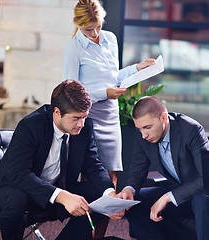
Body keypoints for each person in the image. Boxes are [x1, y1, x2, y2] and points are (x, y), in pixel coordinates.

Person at [0, 80, 122, 240]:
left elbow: (93, 166)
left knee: (98, 193)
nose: (81, 124)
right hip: (10, 190)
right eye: (76, 118)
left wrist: (110, 194)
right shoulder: (31, 126)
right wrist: (62, 196)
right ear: (56, 112)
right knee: (17, 197)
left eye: (84, 117)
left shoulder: (85, 127)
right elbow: (18, 174)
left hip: (53, 190)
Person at [63, 0, 155, 187]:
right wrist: (104, 93)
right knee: (92, 175)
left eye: (98, 26)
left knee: (112, 174)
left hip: (111, 116)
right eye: (88, 29)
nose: (95, 33)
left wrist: (137, 68)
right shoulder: (73, 49)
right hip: (89, 118)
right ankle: (88, 216)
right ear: (78, 25)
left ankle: (108, 213)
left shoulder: (110, 39)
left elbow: (113, 77)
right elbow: (70, 91)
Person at [116, 96, 209, 240]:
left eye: (147, 127)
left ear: (163, 117)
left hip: (201, 192)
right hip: (176, 189)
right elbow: (137, 171)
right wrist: (128, 189)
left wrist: (167, 197)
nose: (144, 135)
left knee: (202, 200)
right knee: (133, 203)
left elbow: (208, 177)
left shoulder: (191, 130)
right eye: (139, 129)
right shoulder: (144, 135)